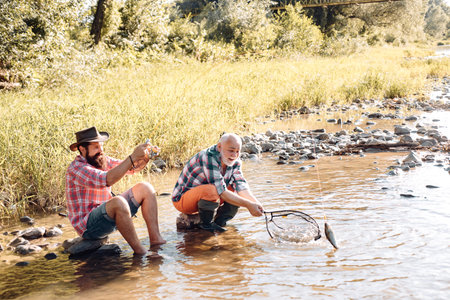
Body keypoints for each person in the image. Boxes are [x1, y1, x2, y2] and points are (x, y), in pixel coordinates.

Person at [66, 126, 166, 255]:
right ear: (82, 149)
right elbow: (108, 179)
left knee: (145, 188)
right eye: (96, 147)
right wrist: (133, 156)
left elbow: (131, 168)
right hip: (88, 227)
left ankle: (156, 240)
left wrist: (145, 157)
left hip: (106, 215)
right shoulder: (77, 168)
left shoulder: (101, 159)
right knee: (118, 201)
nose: (100, 150)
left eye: (101, 146)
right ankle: (141, 252)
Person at [171, 133, 264, 232]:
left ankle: (219, 223)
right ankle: (206, 225)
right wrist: (248, 205)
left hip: (206, 198)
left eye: (237, 151)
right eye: (231, 150)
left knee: (235, 190)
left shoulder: (235, 161)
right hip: (182, 200)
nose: (234, 155)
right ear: (219, 147)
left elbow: (241, 186)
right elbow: (221, 191)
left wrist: (255, 203)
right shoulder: (208, 157)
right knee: (212, 190)